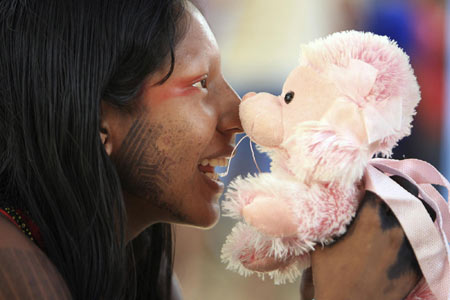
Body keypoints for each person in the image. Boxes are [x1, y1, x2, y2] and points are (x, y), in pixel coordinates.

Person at [0, 0, 423, 299]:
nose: (239, 118)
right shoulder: (12, 270)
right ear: (97, 120)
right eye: (201, 83)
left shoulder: (138, 261)